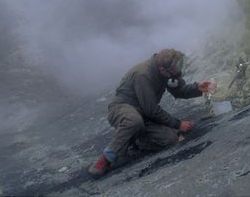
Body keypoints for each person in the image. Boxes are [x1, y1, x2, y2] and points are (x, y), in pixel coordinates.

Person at [88, 48, 214, 179]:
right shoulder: (143, 74)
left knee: (171, 139)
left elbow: (179, 91)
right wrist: (178, 124)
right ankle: (106, 158)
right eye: (176, 69)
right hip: (122, 109)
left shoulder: (168, 72)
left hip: (144, 114)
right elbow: (151, 109)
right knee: (133, 121)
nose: (178, 71)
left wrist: (198, 88)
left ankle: (133, 140)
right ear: (162, 70)